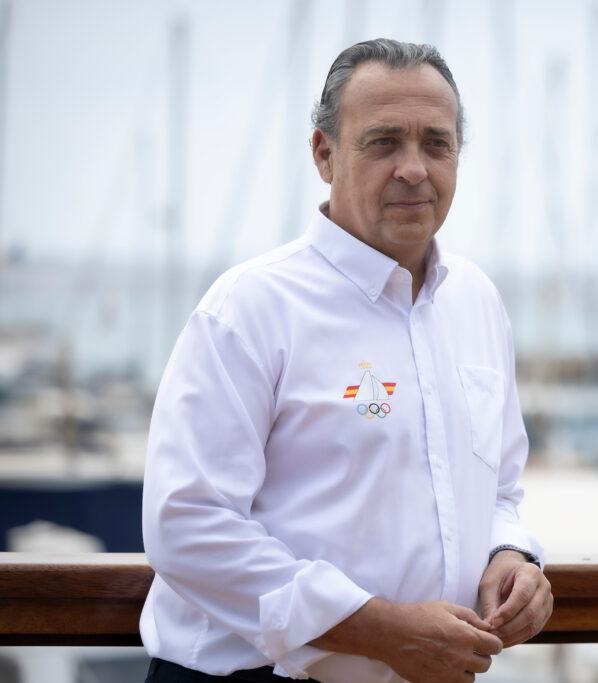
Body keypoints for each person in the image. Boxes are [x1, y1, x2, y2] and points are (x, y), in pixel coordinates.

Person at [140, 38, 552, 683]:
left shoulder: (476, 301)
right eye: (384, 142)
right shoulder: (249, 307)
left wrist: (512, 554)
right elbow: (186, 525)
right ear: (324, 153)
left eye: (436, 144)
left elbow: (499, 489)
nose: (413, 169)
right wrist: (379, 630)